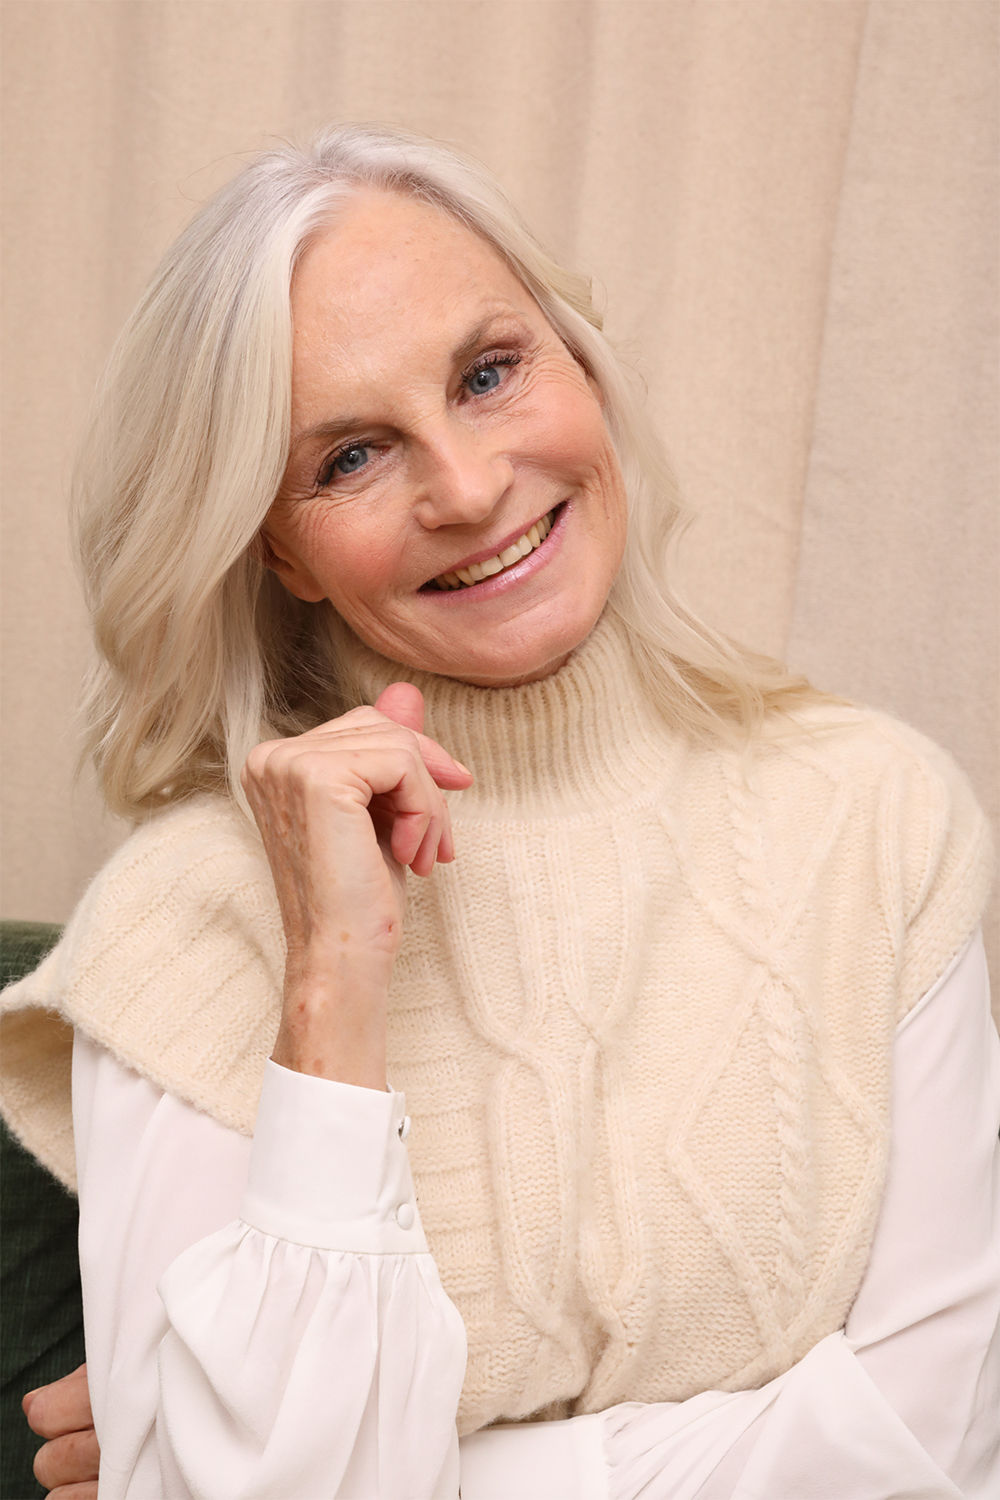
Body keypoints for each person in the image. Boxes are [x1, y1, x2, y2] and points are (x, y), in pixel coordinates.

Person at [3, 124, 998, 1500]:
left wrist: (436, 1470)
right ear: (275, 548)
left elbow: (938, 1445)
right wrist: (332, 977)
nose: (468, 490)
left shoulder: (874, 816)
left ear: (581, 362)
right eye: (352, 456)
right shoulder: (187, 920)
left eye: (487, 373)